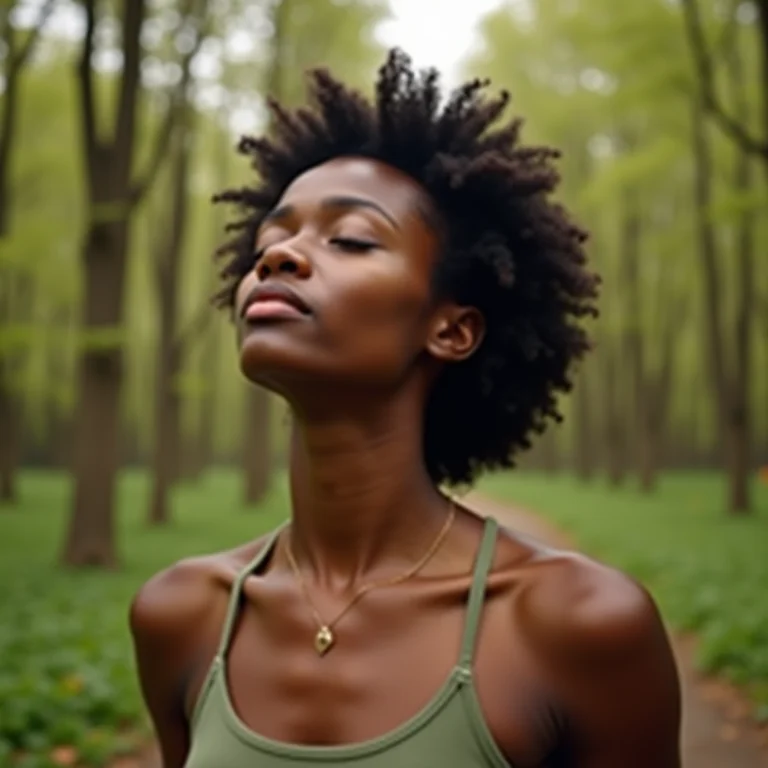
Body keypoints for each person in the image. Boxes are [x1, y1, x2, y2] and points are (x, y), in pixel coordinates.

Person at [130, 49, 681, 767]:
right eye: (269, 241)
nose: (280, 257)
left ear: (450, 330)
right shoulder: (181, 613)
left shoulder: (581, 626)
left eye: (351, 240)